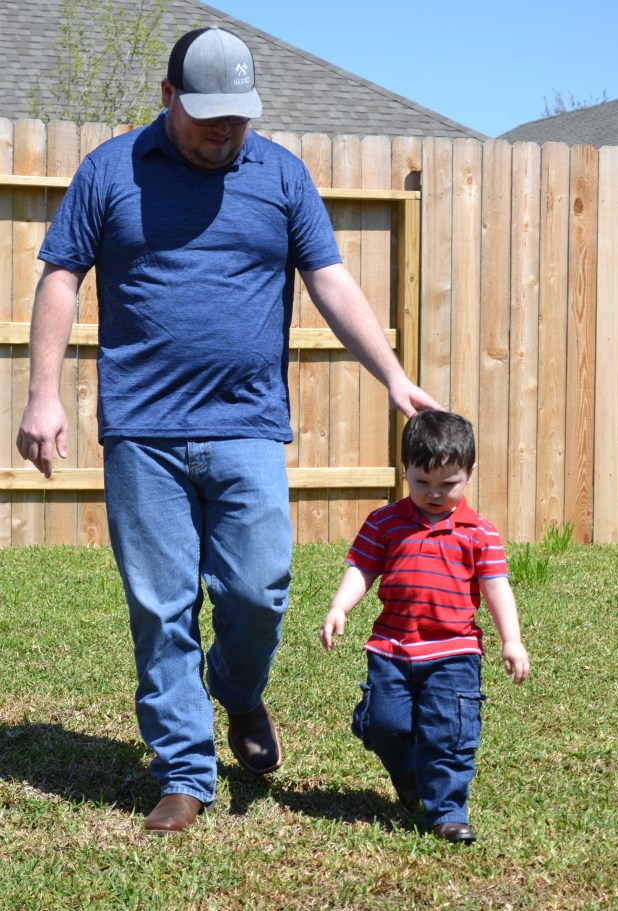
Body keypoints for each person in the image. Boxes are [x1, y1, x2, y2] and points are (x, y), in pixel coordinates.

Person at [15, 26, 439, 834]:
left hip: (246, 424)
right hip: (142, 427)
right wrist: (44, 394)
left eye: (237, 117)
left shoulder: (279, 173)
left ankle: (239, 694)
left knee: (257, 588)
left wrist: (389, 372)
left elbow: (329, 280)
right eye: (208, 115)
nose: (224, 132)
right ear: (167, 97)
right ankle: (183, 770)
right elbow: (61, 274)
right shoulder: (111, 170)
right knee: (160, 604)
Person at [320, 411, 529, 844]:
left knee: (449, 733)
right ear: (405, 473)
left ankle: (448, 811)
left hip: (453, 652)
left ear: (468, 475)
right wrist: (340, 606)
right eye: (422, 482)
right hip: (391, 649)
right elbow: (362, 567)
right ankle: (405, 766)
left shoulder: (480, 533)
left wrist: (512, 639)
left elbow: (496, 588)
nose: (434, 494)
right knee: (387, 726)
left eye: (447, 484)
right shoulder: (384, 522)